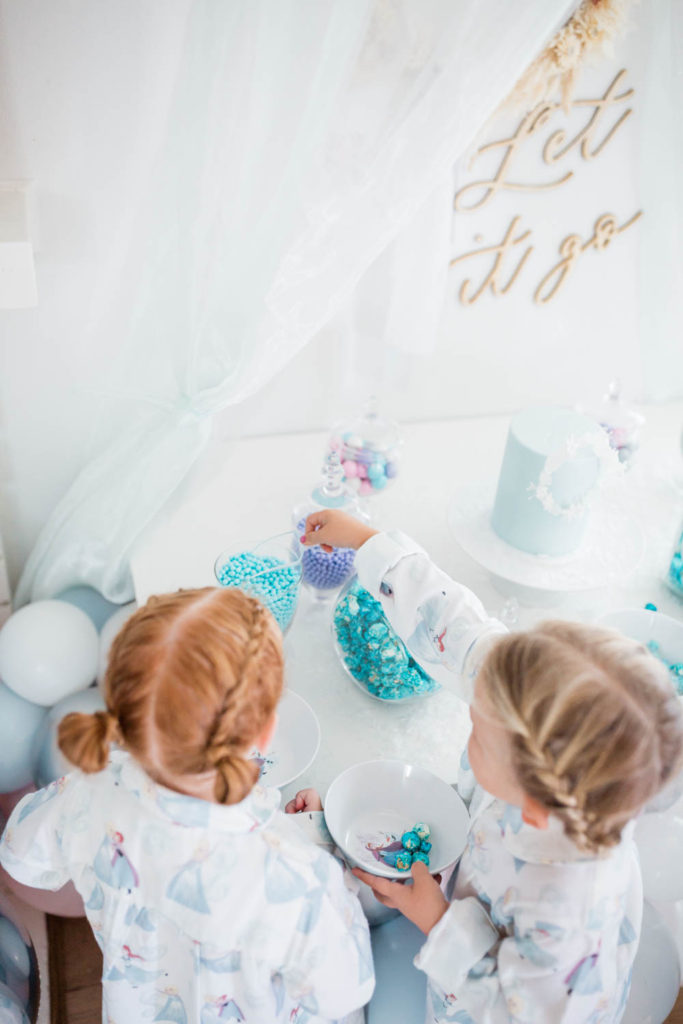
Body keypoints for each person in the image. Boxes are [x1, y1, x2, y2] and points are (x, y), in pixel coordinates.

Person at [296, 509, 683, 1023]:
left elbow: (513, 1009)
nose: (471, 719)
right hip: (479, 881)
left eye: (477, 732)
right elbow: (460, 631)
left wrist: (438, 921)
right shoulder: (530, 702)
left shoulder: (565, 907)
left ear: (536, 804)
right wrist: (371, 545)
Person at [0, 587, 374, 1024]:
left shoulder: (88, 793)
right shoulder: (301, 878)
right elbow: (341, 991)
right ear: (267, 732)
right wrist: (311, 845)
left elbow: (21, 856)